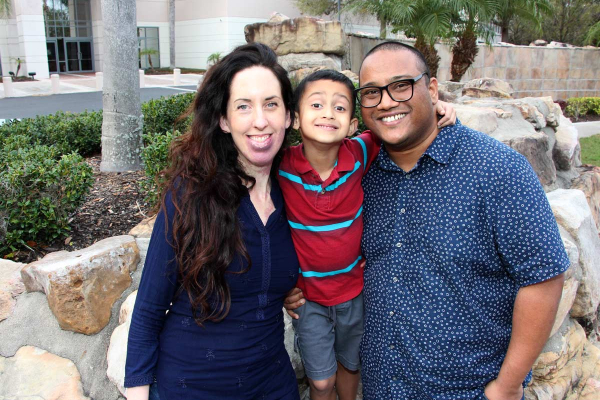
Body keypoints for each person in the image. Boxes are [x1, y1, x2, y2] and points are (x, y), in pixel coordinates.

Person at [285, 41, 569, 400]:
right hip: (381, 388)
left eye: (401, 85)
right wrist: (289, 285)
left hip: (466, 391)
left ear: (432, 90)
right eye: (372, 92)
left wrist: (508, 385)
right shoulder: (361, 173)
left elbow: (544, 276)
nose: (386, 102)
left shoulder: (496, 169)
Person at [124, 42, 301, 400]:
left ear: (288, 116)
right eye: (243, 106)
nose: (260, 120)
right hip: (191, 386)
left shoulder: (298, 190)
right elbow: (149, 309)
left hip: (273, 384)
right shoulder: (190, 194)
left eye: (271, 104)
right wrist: (137, 391)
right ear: (223, 120)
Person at [279, 69, 456, 400]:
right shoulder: (281, 167)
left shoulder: (360, 151)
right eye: (316, 105)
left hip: (353, 293)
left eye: (339, 107)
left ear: (352, 124)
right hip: (308, 298)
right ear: (295, 119)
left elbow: (398, 123)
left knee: (350, 365)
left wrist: (438, 107)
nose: (328, 113)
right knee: (321, 381)